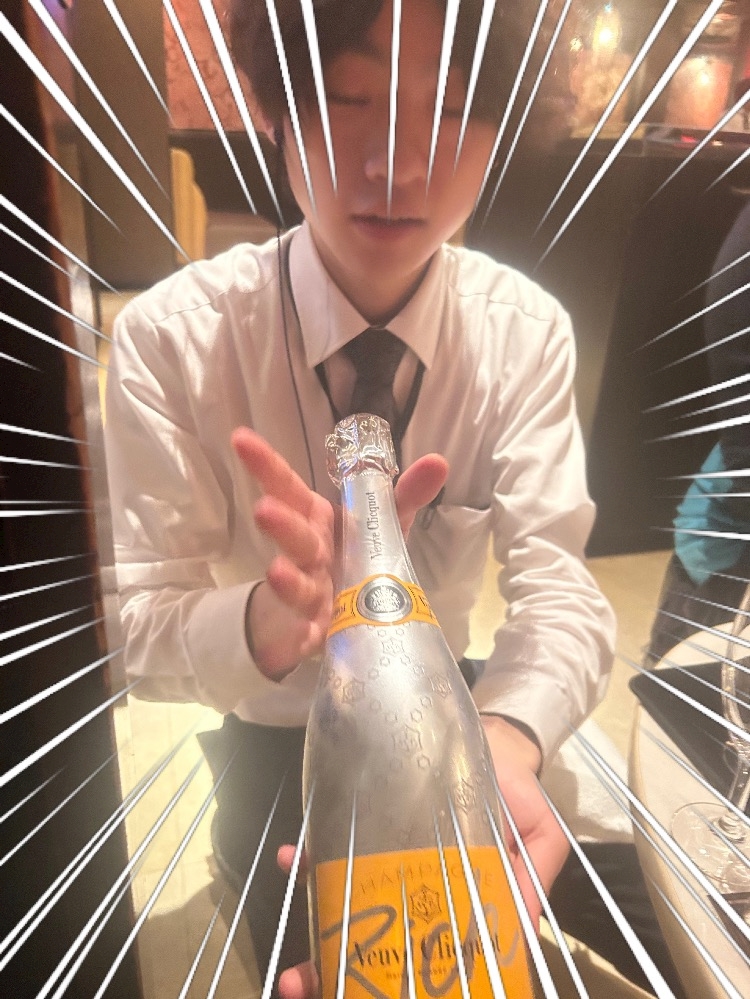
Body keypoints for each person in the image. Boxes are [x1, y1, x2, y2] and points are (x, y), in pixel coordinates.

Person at [103, 0, 628, 993]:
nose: (401, 164)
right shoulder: (173, 341)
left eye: (454, 111)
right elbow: (133, 625)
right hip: (272, 737)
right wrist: (263, 620)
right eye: (353, 98)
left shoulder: (524, 333)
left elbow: (561, 590)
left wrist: (505, 741)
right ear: (276, 109)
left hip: (451, 720)